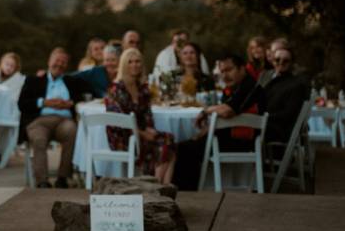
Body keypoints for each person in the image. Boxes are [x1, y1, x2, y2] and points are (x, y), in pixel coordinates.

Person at [171, 54, 266, 191]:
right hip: (230, 137)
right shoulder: (233, 88)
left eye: (229, 70)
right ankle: (188, 190)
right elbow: (222, 118)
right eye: (222, 71)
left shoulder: (249, 86)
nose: (225, 75)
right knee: (185, 145)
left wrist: (205, 111)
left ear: (242, 69)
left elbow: (228, 111)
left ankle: (187, 193)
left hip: (242, 141)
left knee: (185, 150)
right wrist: (201, 134)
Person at [18, 48, 93, 188]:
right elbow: (22, 103)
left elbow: (88, 94)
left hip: (64, 120)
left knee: (72, 131)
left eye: (63, 62)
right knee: (39, 139)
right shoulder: (34, 80)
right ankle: (42, 181)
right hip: (39, 120)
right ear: (49, 61)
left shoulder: (72, 81)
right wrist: (44, 102)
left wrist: (71, 103)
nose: (60, 64)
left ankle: (63, 177)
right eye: (57, 60)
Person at [105, 49, 177, 183]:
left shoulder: (142, 88)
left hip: (140, 133)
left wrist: (149, 128)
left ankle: (163, 187)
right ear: (123, 65)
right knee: (164, 143)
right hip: (122, 137)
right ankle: (157, 188)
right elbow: (119, 123)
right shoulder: (116, 89)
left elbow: (147, 114)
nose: (134, 65)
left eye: (137, 61)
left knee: (169, 142)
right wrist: (144, 134)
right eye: (130, 62)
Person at [263, 45, 310, 146]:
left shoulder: (296, 85)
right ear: (272, 61)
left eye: (286, 60)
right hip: (267, 125)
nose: (281, 63)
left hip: (278, 130)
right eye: (277, 59)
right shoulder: (271, 81)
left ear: (291, 63)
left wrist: (264, 117)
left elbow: (289, 114)